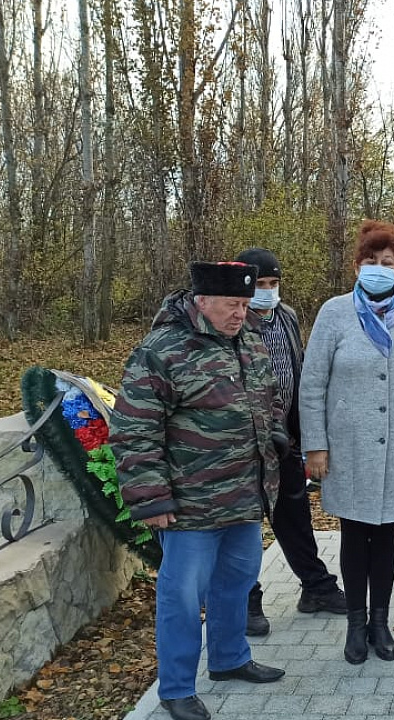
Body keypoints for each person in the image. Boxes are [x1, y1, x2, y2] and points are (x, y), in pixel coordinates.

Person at [110, 262, 288, 720]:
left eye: (246, 305)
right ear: (201, 300)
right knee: (182, 597)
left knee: (237, 583)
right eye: (232, 305)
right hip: (190, 505)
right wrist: (150, 498)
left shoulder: (247, 339)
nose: (240, 313)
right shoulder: (162, 350)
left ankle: (229, 659)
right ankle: (175, 689)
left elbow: (266, 399)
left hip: (244, 496)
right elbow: (134, 429)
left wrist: (275, 438)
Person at [300, 220, 394, 664]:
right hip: (349, 448)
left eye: (387, 263)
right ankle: (354, 623)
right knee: (353, 533)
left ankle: (380, 623)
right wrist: (316, 445)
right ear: (357, 266)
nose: (379, 269)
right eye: (371, 262)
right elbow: (312, 384)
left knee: (387, 535)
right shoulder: (334, 313)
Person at [236, 248, 348, 637]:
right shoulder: (232, 322)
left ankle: (315, 587)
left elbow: (300, 371)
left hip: (286, 439)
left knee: (296, 517)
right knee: (246, 524)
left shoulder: (286, 317)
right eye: (259, 285)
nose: (267, 292)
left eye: (273, 284)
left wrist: (303, 430)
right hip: (246, 444)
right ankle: (246, 600)